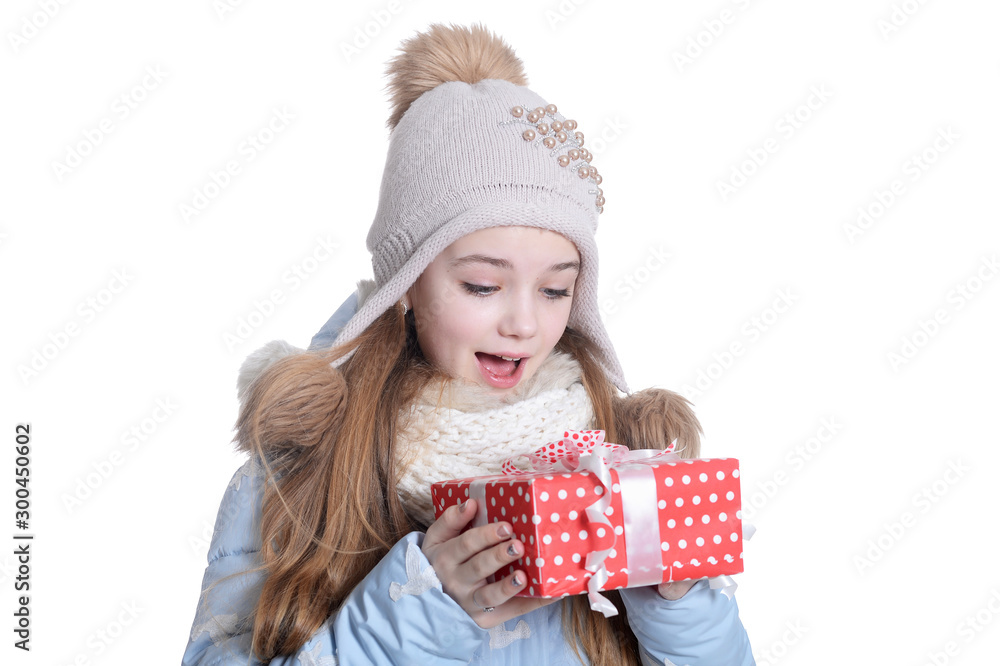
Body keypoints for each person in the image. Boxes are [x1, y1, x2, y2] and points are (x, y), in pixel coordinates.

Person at [182, 22, 755, 666]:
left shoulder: (611, 457)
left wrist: (679, 603)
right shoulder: (299, 470)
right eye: (483, 285)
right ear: (406, 285)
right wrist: (420, 611)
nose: (525, 325)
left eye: (555, 290)